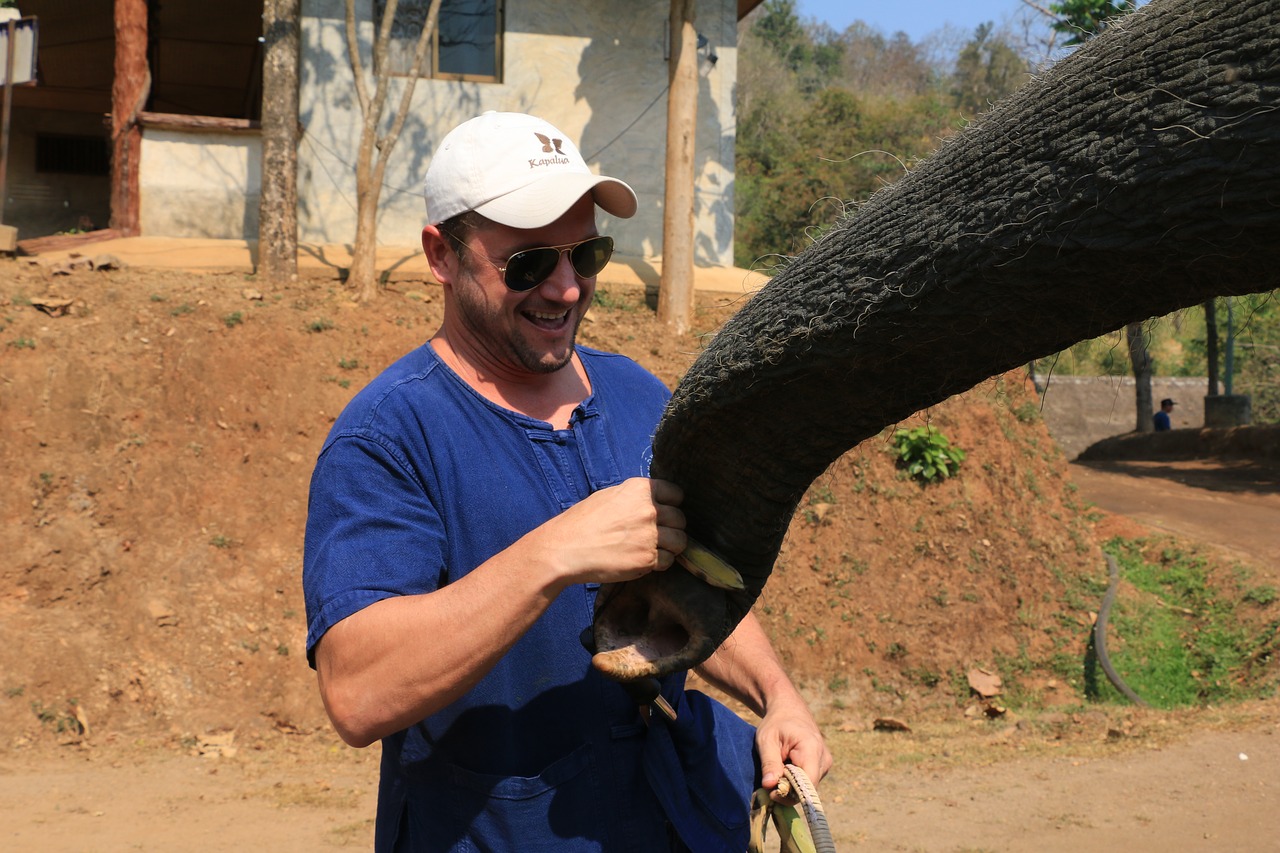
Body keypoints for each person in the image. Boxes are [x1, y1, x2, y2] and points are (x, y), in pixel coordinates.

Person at [303, 111, 831, 852]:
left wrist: (778, 698)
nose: (565, 288)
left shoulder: (643, 398)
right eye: (527, 263)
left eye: (587, 255)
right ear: (440, 255)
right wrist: (553, 555)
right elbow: (357, 693)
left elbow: (693, 590)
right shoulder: (389, 437)